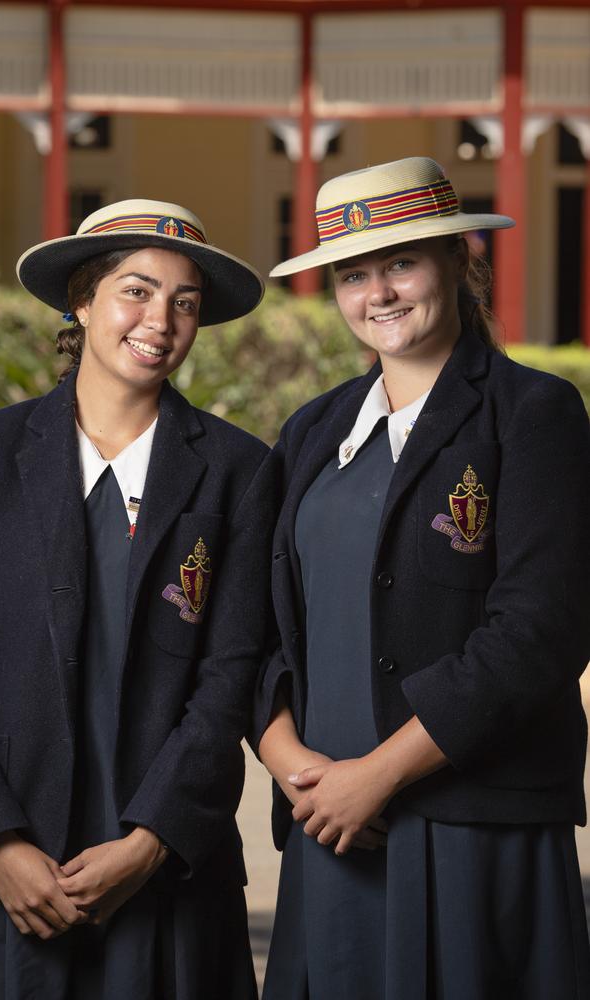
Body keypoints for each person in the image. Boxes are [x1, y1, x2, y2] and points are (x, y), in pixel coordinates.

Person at [255, 157, 590, 999]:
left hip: (477, 824)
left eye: (401, 262)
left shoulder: (534, 414)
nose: (381, 293)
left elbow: (540, 630)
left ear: (458, 261)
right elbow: (262, 630)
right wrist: (297, 769)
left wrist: (379, 774)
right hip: (331, 830)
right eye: (354, 274)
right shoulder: (308, 432)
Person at [0, 199, 276, 999]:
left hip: (165, 870)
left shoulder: (238, 470)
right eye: (135, 290)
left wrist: (152, 840)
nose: (159, 320)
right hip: (10, 868)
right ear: (82, 302)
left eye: (185, 302)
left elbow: (230, 678)